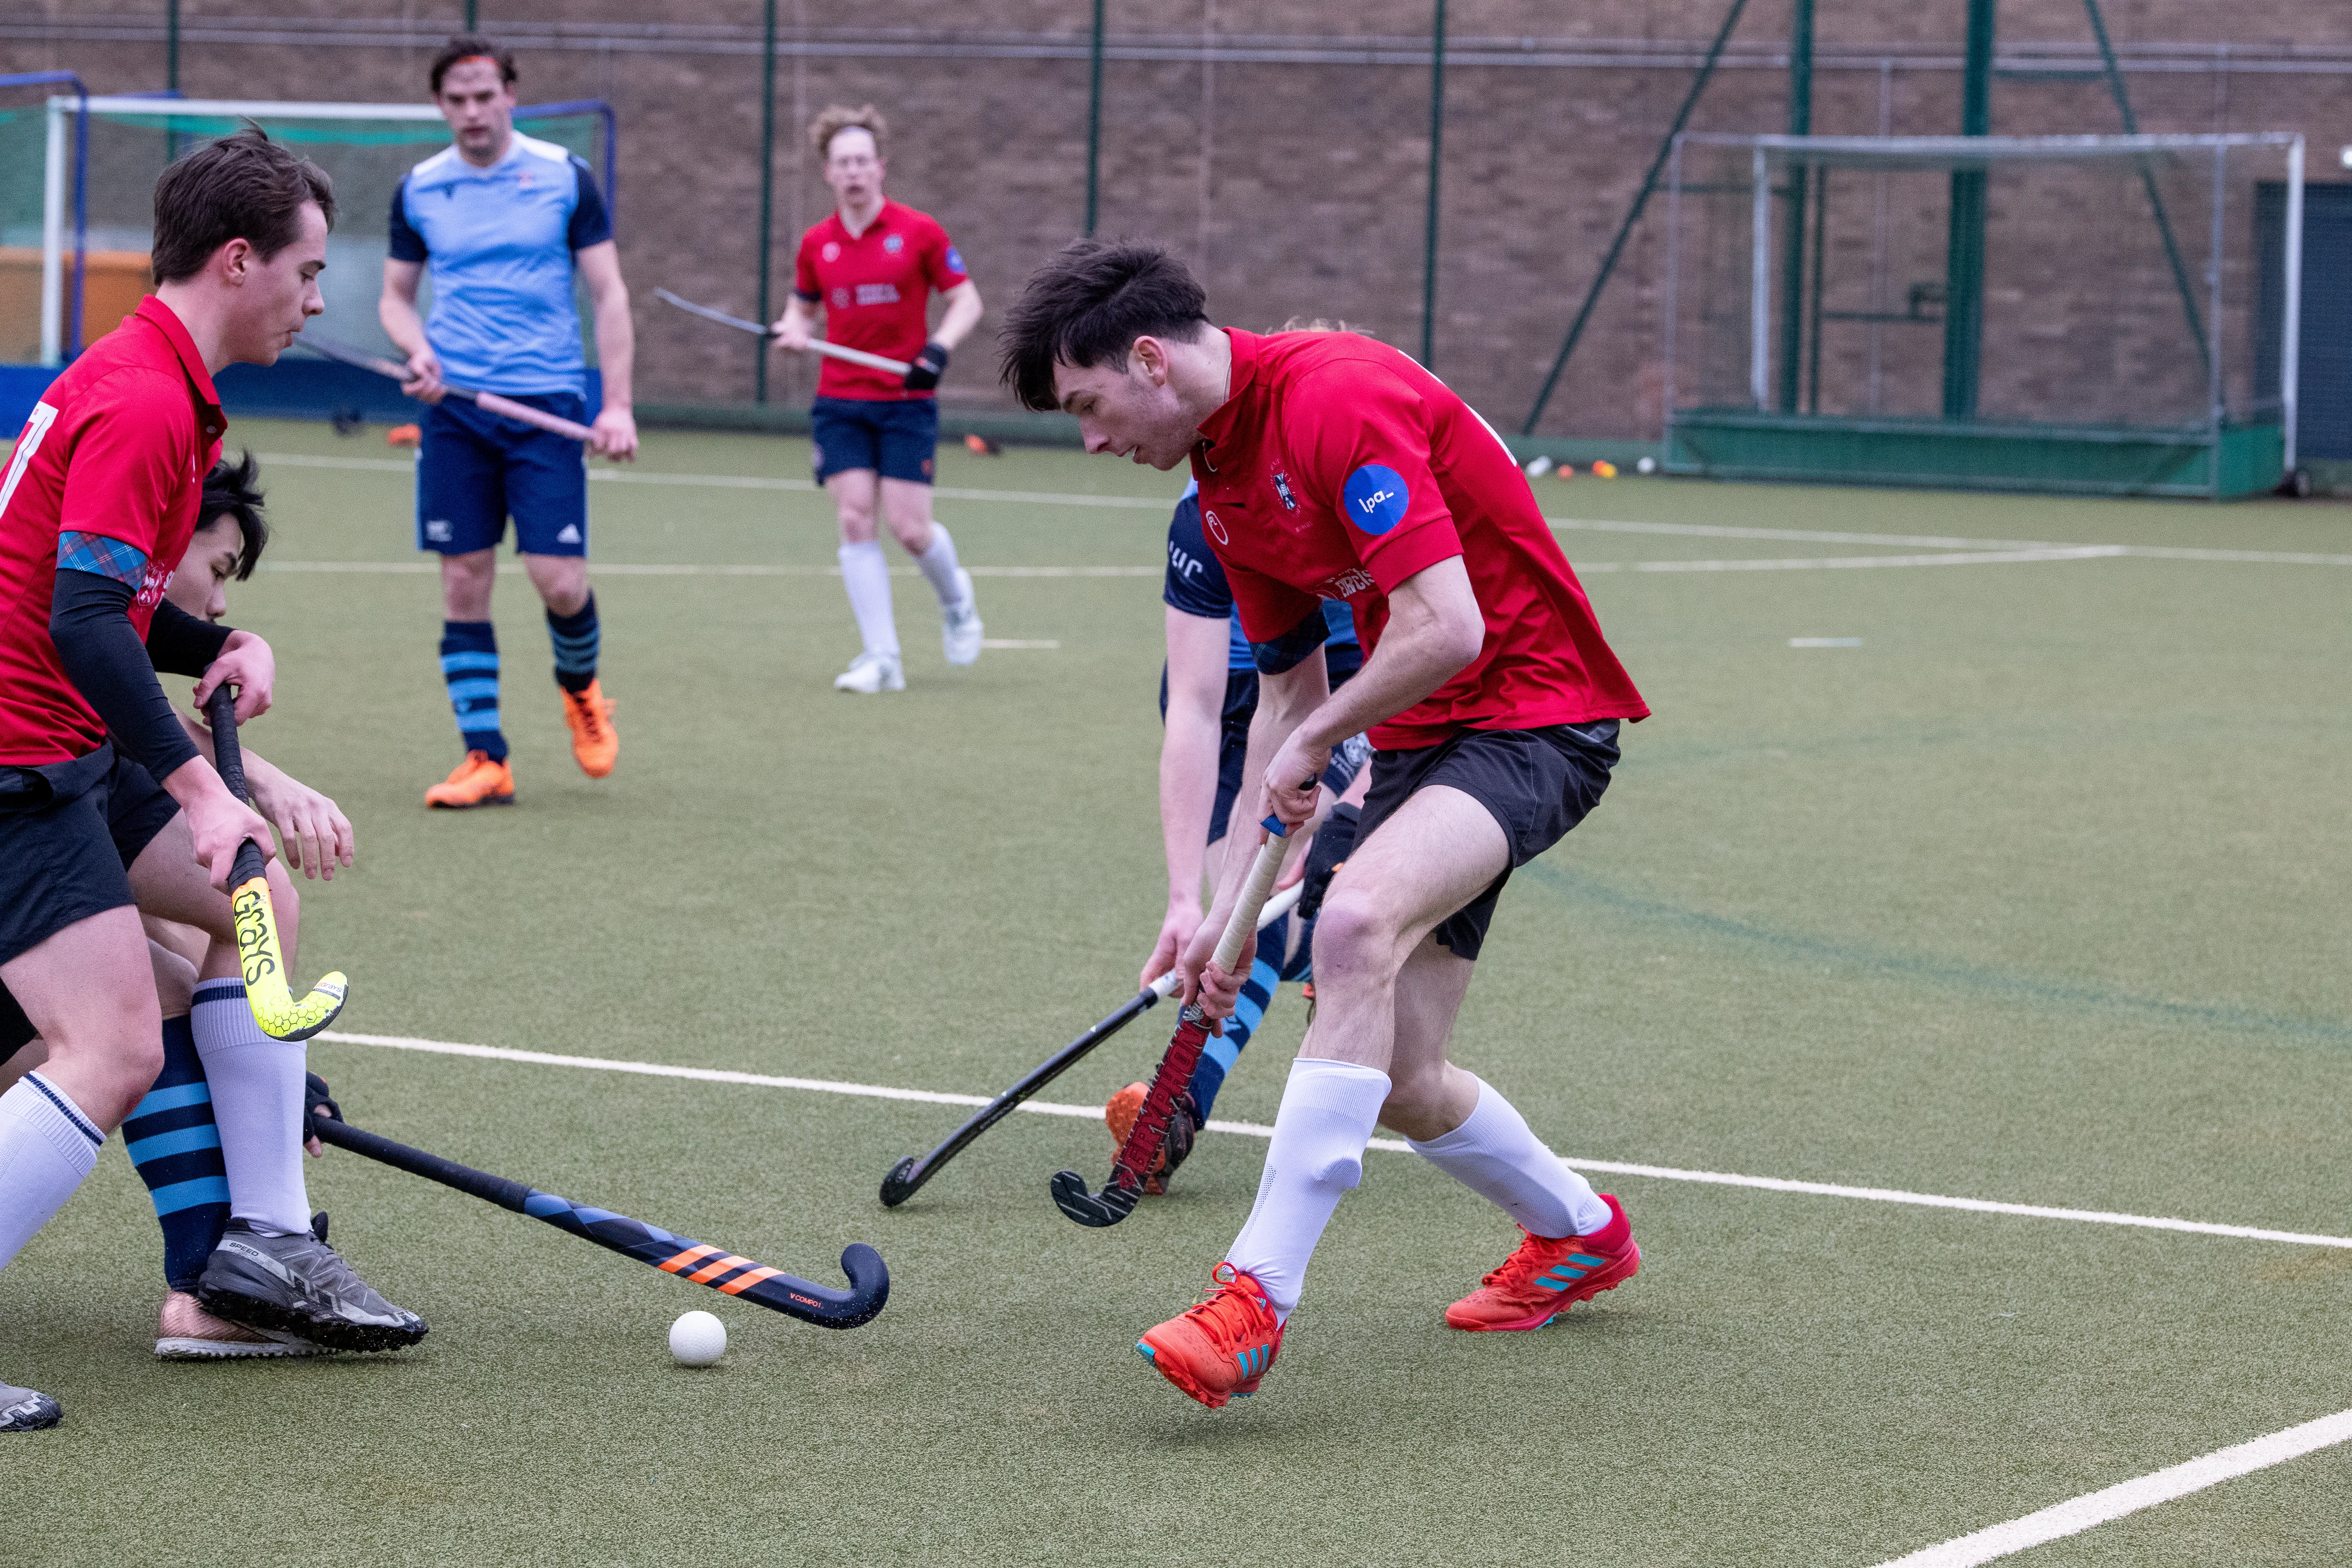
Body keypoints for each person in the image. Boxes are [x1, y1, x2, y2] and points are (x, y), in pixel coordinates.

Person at [1003, 241, 1652, 1409]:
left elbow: (1446, 627)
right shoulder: (1224, 483)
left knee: (1352, 927)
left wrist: (1311, 749)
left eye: (1091, 407)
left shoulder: (1332, 396)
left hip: (1538, 716)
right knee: (1404, 1075)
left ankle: (1253, 1299)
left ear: (1149, 361)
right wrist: (1227, 909)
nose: (1094, 439)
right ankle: (1582, 1235)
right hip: (1424, 745)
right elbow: (1291, 704)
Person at [0, 129, 423, 1432]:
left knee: (256, 900)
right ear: (238, 260)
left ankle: (261, 1257)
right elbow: (78, 618)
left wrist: (212, 638)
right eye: (304, 272)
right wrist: (196, 782)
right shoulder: (141, 397)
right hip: (18, 756)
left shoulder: (166, 383)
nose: (314, 298)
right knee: (112, 1042)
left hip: (62, 738)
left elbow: (113, 603)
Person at [381, 33, 639, 808]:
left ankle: (582, 690)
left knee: (559, 583)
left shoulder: (564, 177)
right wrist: (418, 349)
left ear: (510, 96)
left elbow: (610, 296)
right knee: (464, 579)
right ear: (441, 106)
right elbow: (395, 297)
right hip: (456, 409)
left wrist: (617, 403)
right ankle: (485, 757)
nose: (471, 113)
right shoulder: (420, 189)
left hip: (547, 404)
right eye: (456, 101)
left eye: (484, 97)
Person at [1103, 468, 1372, 1189]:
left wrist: (1343, 797)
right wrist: (1183, 898)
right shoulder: (1201, 513)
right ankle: (1315, 956)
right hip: (1237, 701)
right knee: (1244, 900)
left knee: (1278, 881)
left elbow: (1420, 658)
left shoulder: (1358, 491)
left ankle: (1182, 1103)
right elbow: (1192, 707)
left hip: (1345, 684)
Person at [772, 104, 986, 694]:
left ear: (881, 166)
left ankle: (956, 600)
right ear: (828, 173)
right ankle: (881, 658)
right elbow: (803, 307)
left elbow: (966, 301)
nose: (854, 172)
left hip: (904, 400)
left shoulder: (919, 232)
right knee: (853, 516)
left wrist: (937, 350)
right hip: (840, 400)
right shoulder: (818, 243)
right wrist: (793, 329)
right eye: (843, 163)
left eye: (863, 160)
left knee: (912, 530)